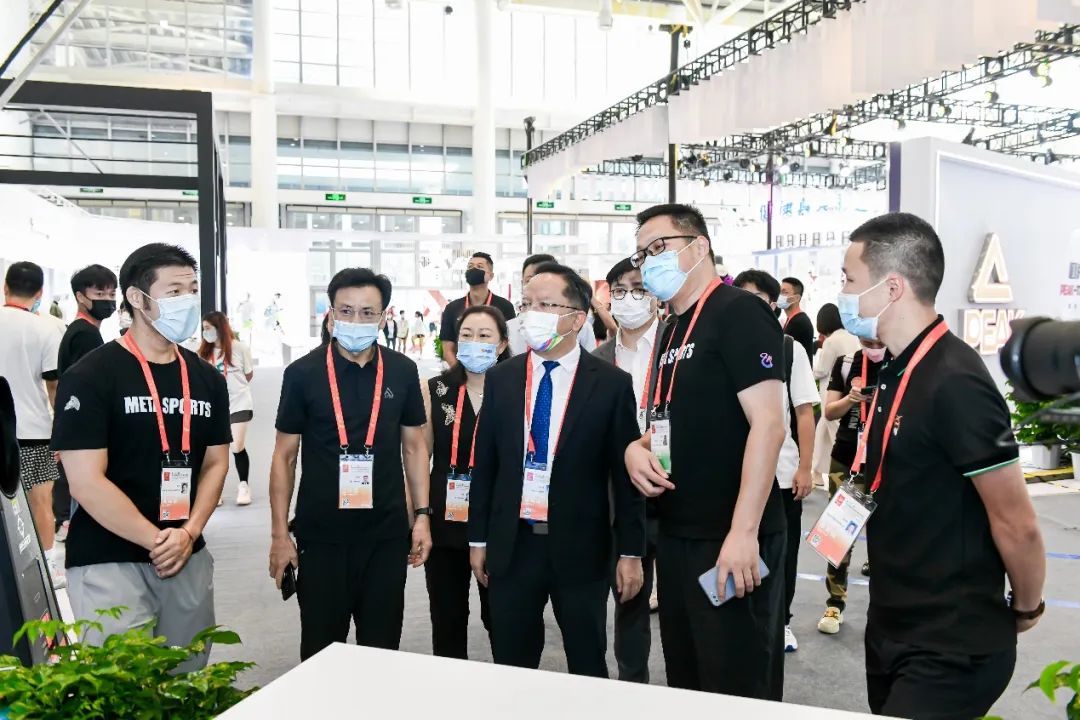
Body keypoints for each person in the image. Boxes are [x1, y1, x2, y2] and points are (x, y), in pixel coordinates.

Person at [837, 212, 1045, 719]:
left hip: (950, 644)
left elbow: (1016, 520)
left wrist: (1027, 606)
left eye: (849, 280)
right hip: (893, 625)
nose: (842, 293)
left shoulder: (956, 381)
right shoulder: (895, 368)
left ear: (891, 288)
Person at [624, 204, 787, 700]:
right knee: (687, 680)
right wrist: (636, 449)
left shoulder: (739, 312)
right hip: (678, 532)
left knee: (735, 683)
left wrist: (743, 532)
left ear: (699, 246)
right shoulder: (673, 327)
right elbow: (674, 422)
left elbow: (769, 424)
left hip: (730, 536)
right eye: (642, 254)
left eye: (659, 247)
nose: (648, 262)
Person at [51, 243, 231, 671]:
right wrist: (156, 540)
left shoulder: (206, 379)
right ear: (137, 298)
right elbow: (85, 481)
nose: (187, 301)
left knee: (187, 681)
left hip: (186, 553)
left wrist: (188, 533)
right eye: (174, 292)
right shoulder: (90, 376)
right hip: (109, 558)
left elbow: (215, 462)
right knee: (124, 686)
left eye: (192, 290)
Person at [468, 262, 645, 678]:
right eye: (527, 304)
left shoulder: (610, 384)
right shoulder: (502, 379)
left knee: (587, 660)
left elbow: (626, 477)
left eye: (546, 305)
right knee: (511, 663)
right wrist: (478, 538)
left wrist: (631, 551)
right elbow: (486, 465)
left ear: (577, 319)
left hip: (581, 547)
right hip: (513, 544)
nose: (532, 314)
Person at [269, 268, 431, 661]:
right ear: (330, 315)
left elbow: (414, 448)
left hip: (386, 536)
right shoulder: (302, 374)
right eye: (346, 310)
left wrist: (422, 517)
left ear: (383, 317)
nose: (355, 320)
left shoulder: (402, 371)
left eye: (367, 312)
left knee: (382, 649)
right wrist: (279, 535)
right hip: (322, 536)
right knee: (322, 652)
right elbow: (284, 456)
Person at [733, 269, 818, 655]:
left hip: (781, 474)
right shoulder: (724, 345)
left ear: (773, 305)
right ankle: (741, 619)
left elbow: (804, 412)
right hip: (735, 474)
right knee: (738, 549)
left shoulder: (788, 349)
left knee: (781, 554)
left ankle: (780, 620)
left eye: (755, 300)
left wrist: (805, 467)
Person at [419, 305, 509, 659]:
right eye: (467, 335)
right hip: (445, 521)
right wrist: (419, 516)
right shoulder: (436, 389)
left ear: (501, 344)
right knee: (448, 618)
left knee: (501, 618)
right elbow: (420, 456)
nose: (474, 343)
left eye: (484, 336)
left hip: (498, 523)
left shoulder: (515, 390)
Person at [592, 257, 666, 683]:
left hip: (672, 491)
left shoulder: (677, 348)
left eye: (638, 289)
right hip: (616, 497)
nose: (628, 298)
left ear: (656, 295)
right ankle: (631, 688)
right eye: (619, 291)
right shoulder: (597, 359)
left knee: (686, 609)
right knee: (628, 600)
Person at [1, 261, 65, 587]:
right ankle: (48, 567)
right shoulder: (47, 328)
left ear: (5, 287)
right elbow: (54, 385)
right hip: (33, 430)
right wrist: (61, 433)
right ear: (40, 293)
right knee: (41, 501)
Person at [817, 336, 885, 635]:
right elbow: (829, 411)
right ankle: (834, 603)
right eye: (867, 340)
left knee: (888, 537)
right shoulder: (847, 363)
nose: (874, 346)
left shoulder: (899, 362)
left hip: (886, 463)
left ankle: (886, 607)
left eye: (878, 341)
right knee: (838, 536)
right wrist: (851, 399)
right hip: (847, 459)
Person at [55, 264, 119, 540]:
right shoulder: (85, 334)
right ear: (81, 297)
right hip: (86, 432)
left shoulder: (82, 330)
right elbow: (88, 387)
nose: (108, 300)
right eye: (100, 294)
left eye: (112, 293)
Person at [198, 312, 255, 506]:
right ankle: (216, 489)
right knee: (216, 449)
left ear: (219, 328)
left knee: (237, 445)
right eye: (204, 329)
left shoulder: (239, 348)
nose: (205, 332)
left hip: (240, 403)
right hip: (215, 406)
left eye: (208, 328)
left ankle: (244, 485)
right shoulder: (203, 352)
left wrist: (235, 386)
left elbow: (248, 374)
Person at [810, 303, 862, 489]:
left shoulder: (831, 341)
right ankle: (816, 472)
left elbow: (821, 370)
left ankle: (840, 475)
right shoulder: (851, 335)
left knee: (833, 434)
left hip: (831, 393)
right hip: (849, 391)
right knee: (822, 433)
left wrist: (808, 370)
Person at [507, 254, 595, 356]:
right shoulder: (509, 329)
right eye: (526, 304)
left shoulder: (583, 328)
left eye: (545, 304)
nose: (532, 311)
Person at [439, 253, 517, 368]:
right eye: (470, 266)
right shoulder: (452, 308)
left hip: (496, 372)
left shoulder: (505, 306)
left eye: (479, 267)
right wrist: (461, 374)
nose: (473, 269)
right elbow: (447, 349)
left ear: (491, 276)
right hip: (462, 371)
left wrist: (497, 373)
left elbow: (511, 345)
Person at [780, 277, 816, 364]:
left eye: (785, 292)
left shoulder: (798, 323)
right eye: (780, 292)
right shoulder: (792, 319)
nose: (780, 296)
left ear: (796, 298)